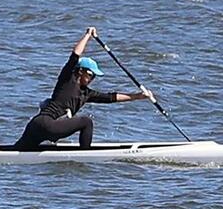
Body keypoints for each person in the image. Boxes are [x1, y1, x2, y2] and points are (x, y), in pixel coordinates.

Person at [13, 27, 153, 150]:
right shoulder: (67, 80)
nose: (92, 79)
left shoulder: (87, 93)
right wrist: (87, 35)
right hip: (44, 123)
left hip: (36, 126)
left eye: (94, 77)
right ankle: (85, 153)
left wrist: (138, 96)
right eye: (91, 75)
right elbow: (75, 55)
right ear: (80, 71)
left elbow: (111, 97)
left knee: (16, 151)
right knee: (86, 122)